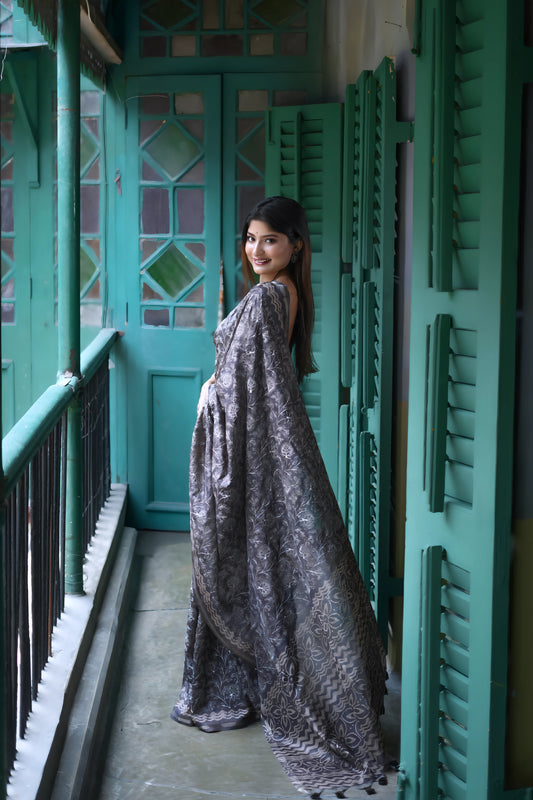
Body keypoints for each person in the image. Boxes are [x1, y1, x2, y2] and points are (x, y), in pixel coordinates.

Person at [172, 196, 388, 796]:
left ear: (296, 245)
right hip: (263, 445)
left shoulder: (271, 297)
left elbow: (247, 382)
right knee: (279, 559)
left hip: (252, 451)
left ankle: (295, 690)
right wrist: (221, 382)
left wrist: (211, 394)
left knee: (248, 555)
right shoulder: (282, 295)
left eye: (270, 240)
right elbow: (251, 372)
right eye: (250, 239)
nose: (256, 250)